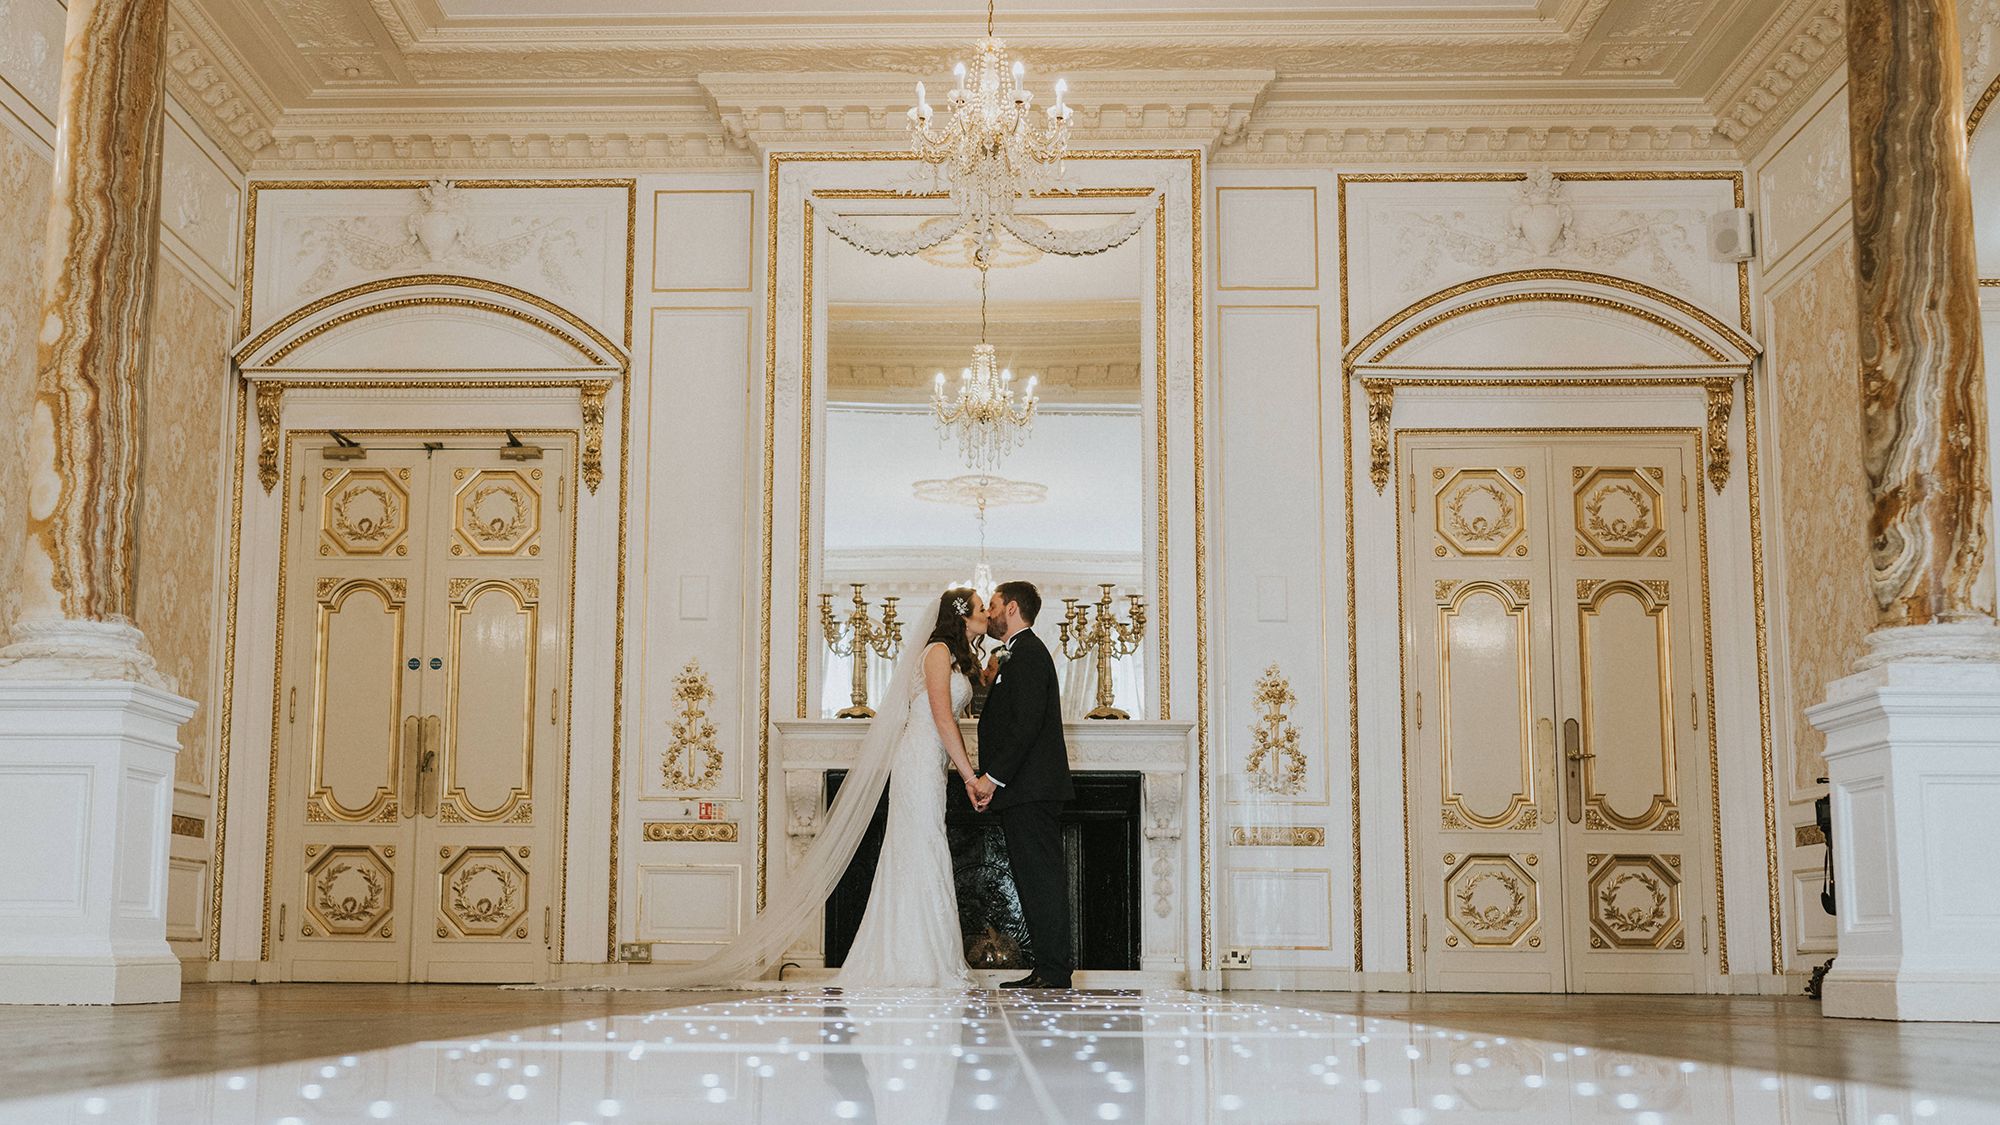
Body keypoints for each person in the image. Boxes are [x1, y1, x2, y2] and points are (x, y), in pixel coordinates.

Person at [968, 580, 1076, 990]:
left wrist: (991, 780)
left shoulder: (1028, 653)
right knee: (1033, 879)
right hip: (1025, 789)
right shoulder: (1016, 655)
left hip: (1032, 788)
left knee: (1042, 879)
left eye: (993, 605)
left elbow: (1025, 726)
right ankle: (1047, 969)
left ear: (1012, 608)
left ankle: (1054, 971)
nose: (990, 613)